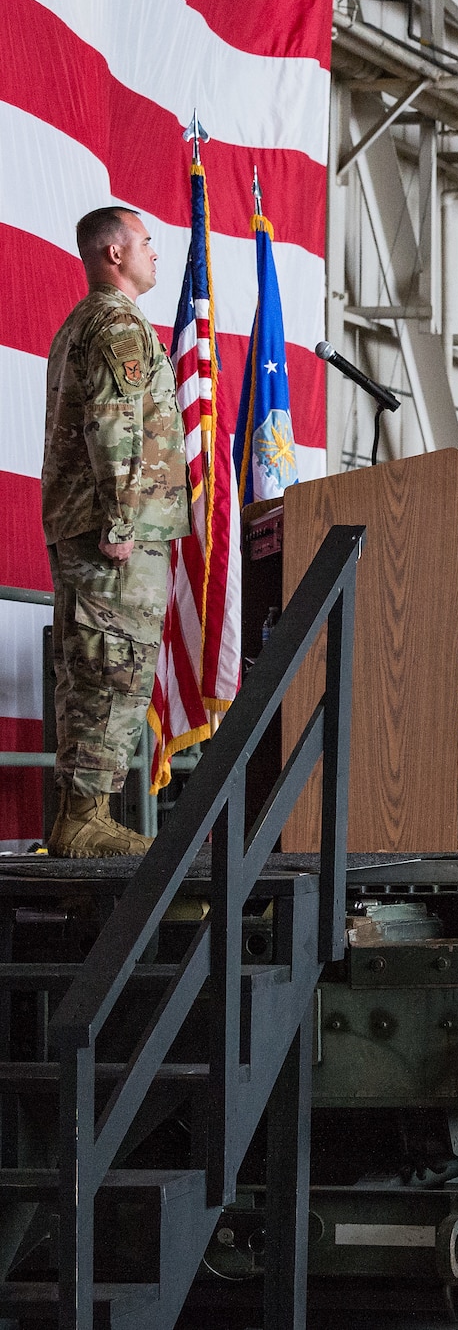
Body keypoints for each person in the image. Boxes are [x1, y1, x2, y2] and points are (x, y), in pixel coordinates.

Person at [41, 206, 189, 858]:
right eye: (145, 243)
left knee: (97, 666)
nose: (155, 253)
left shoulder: (86, 321)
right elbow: (113, 422)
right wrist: (123, 517)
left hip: (94, 524)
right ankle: (84, 819)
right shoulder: (116, 322)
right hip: (112, 531)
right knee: (112, 665)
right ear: (112, 253)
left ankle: (83, 814)